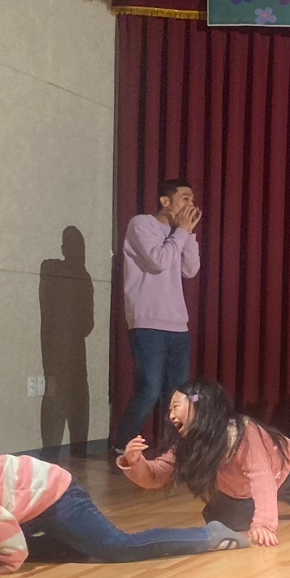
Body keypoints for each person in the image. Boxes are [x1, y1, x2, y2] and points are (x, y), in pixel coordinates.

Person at [117, 379, 290, 546]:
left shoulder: (240, 432)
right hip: (241, 490)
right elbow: (157, 475)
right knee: (221, 521)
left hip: (285, 471)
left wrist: (264, 525)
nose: (171, 415)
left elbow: (261, 477)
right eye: (169, 409)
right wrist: (135, 463)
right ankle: (267, 503)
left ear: (200, 408)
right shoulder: (186, 443)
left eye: (176, 407)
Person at [0, 447, 247, 575]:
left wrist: (8, 563)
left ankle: (208, 536)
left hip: (58, 497)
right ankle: (77, 545)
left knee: (117, 547)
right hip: (25, 506)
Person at [112, 178, 202, 454]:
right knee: (150, 389)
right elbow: (159, 260)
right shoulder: (141, 224)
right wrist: (181, 233)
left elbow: (191, 270)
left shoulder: (180, 234)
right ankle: (122, 444)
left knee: (178, 393)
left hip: (178, 323)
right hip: (148, 321)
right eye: (185, 198)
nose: (191, 204)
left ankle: (172, 449)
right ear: (165, 201)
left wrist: (188, 234)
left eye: (192, 199)